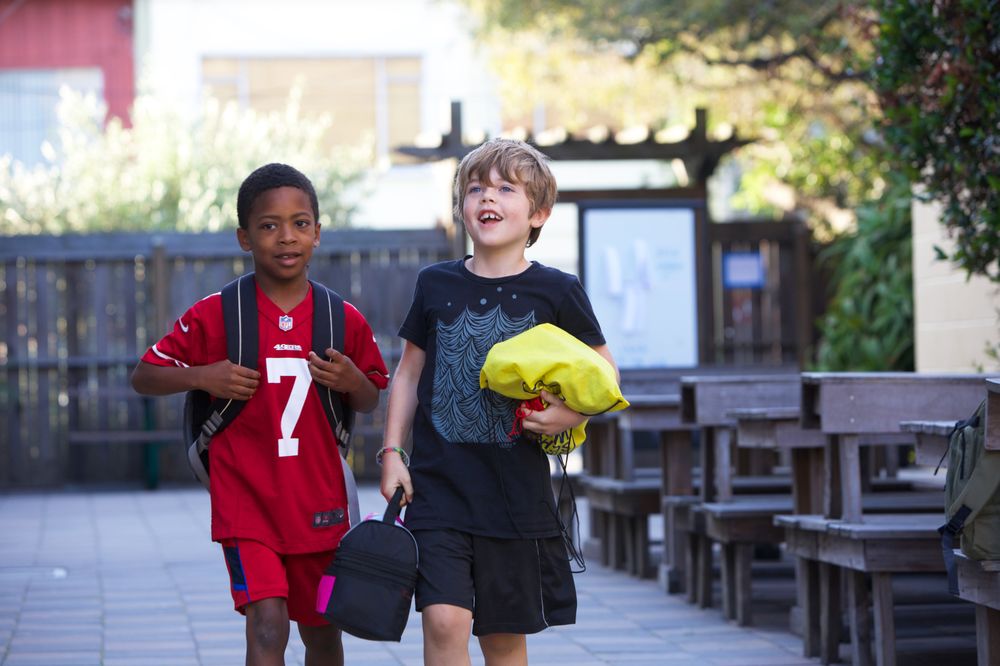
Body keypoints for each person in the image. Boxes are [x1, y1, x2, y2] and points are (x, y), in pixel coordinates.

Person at [131, 163, 389, 666]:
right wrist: (203, 376)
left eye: (299, 223)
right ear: (244, 237)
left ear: (317, 232)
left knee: (322, 632)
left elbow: (371, 396)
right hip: (246, 502)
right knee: (267, 626)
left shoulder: (342, 318)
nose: (286, 237)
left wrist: (350, 380)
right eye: (269, 225)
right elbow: (145, 374)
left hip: (320, 502)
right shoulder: (216, 314)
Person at [379, 137, 617, 665]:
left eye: (506, 188)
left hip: (517, 494)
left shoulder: (556, 290)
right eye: (476, 187)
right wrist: (392, 453)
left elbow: (604, 374)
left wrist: (572, 412)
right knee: (444, 620)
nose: (488, 197)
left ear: (539, 212)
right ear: (462, 206)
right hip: (438, 489)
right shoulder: (435, 283)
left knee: (504, 640)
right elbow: (409, 372)